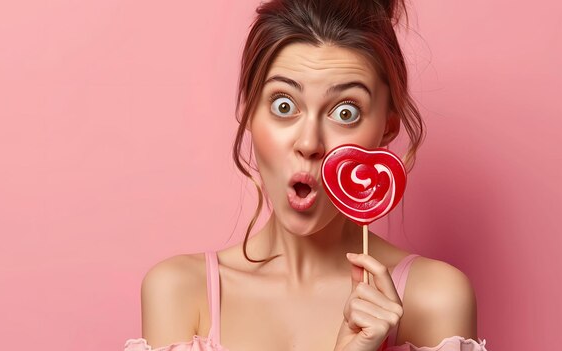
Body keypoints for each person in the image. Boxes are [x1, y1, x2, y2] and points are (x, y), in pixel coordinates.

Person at [125, 0, 489, 350]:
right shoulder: (180, 292)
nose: (309, 142)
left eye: (345, 112)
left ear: (387, 127)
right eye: (284, 105)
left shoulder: (435, 300)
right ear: (247, 108)